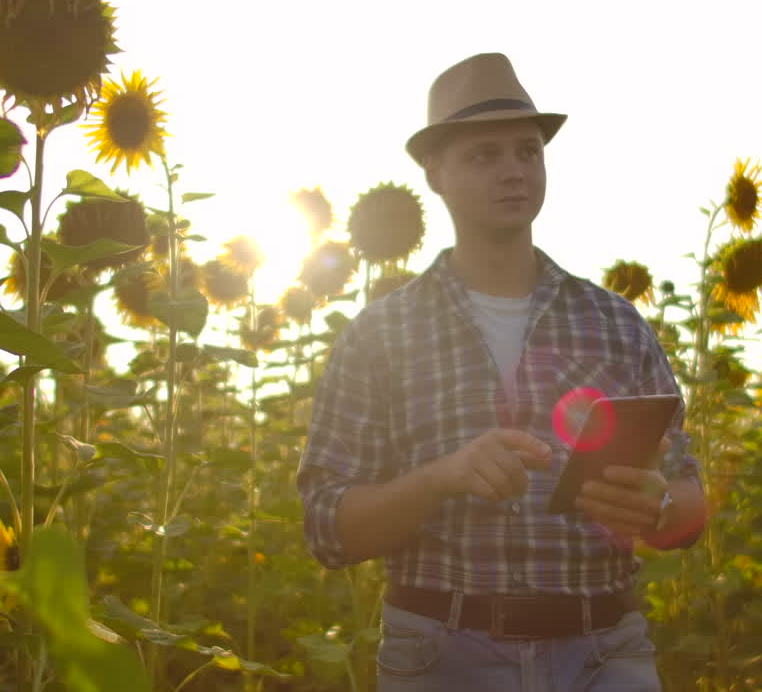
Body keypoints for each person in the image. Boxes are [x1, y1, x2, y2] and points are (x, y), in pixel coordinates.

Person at [298, 52, 706, 691]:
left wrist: (656, 510)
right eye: (484, 155)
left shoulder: (617, 323)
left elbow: (690, 500)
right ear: (434, 172)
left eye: (527, 151)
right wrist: (442, 478)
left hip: (604, 652)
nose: (514, 171)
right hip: (441, 655)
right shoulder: (380, 334)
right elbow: (327, 528)